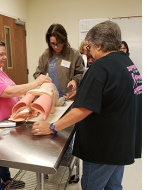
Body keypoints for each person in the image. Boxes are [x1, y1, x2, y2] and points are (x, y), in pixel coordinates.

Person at [31, 21, 142, 190]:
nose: (89, 52)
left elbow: (83, 110)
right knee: (113, 186)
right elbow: (112, 95)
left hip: (103, 148)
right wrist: (83, 93)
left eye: (89, 47)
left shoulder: (101, 66)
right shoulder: (128, 64)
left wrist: (52, 127)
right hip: (121, 143)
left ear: (98, 45)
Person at [0, 38, 52, 190]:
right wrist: (36, 83)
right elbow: (7, 92)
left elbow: (15, 91)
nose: (5, 57)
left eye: (5, 54)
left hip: (6, 122)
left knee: (4, 154)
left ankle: (7, 181)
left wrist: (26, 102)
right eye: (1, 54)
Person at [33, 23, 84, 99]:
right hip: (50, 97)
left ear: (64, 41)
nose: (56, 47)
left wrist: (74, 80)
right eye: (53, 44)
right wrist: (42, 79)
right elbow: (37, 73)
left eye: (59, 43)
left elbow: (80, 73)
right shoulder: (45, 55)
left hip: (68, 97)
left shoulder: (74, 55)